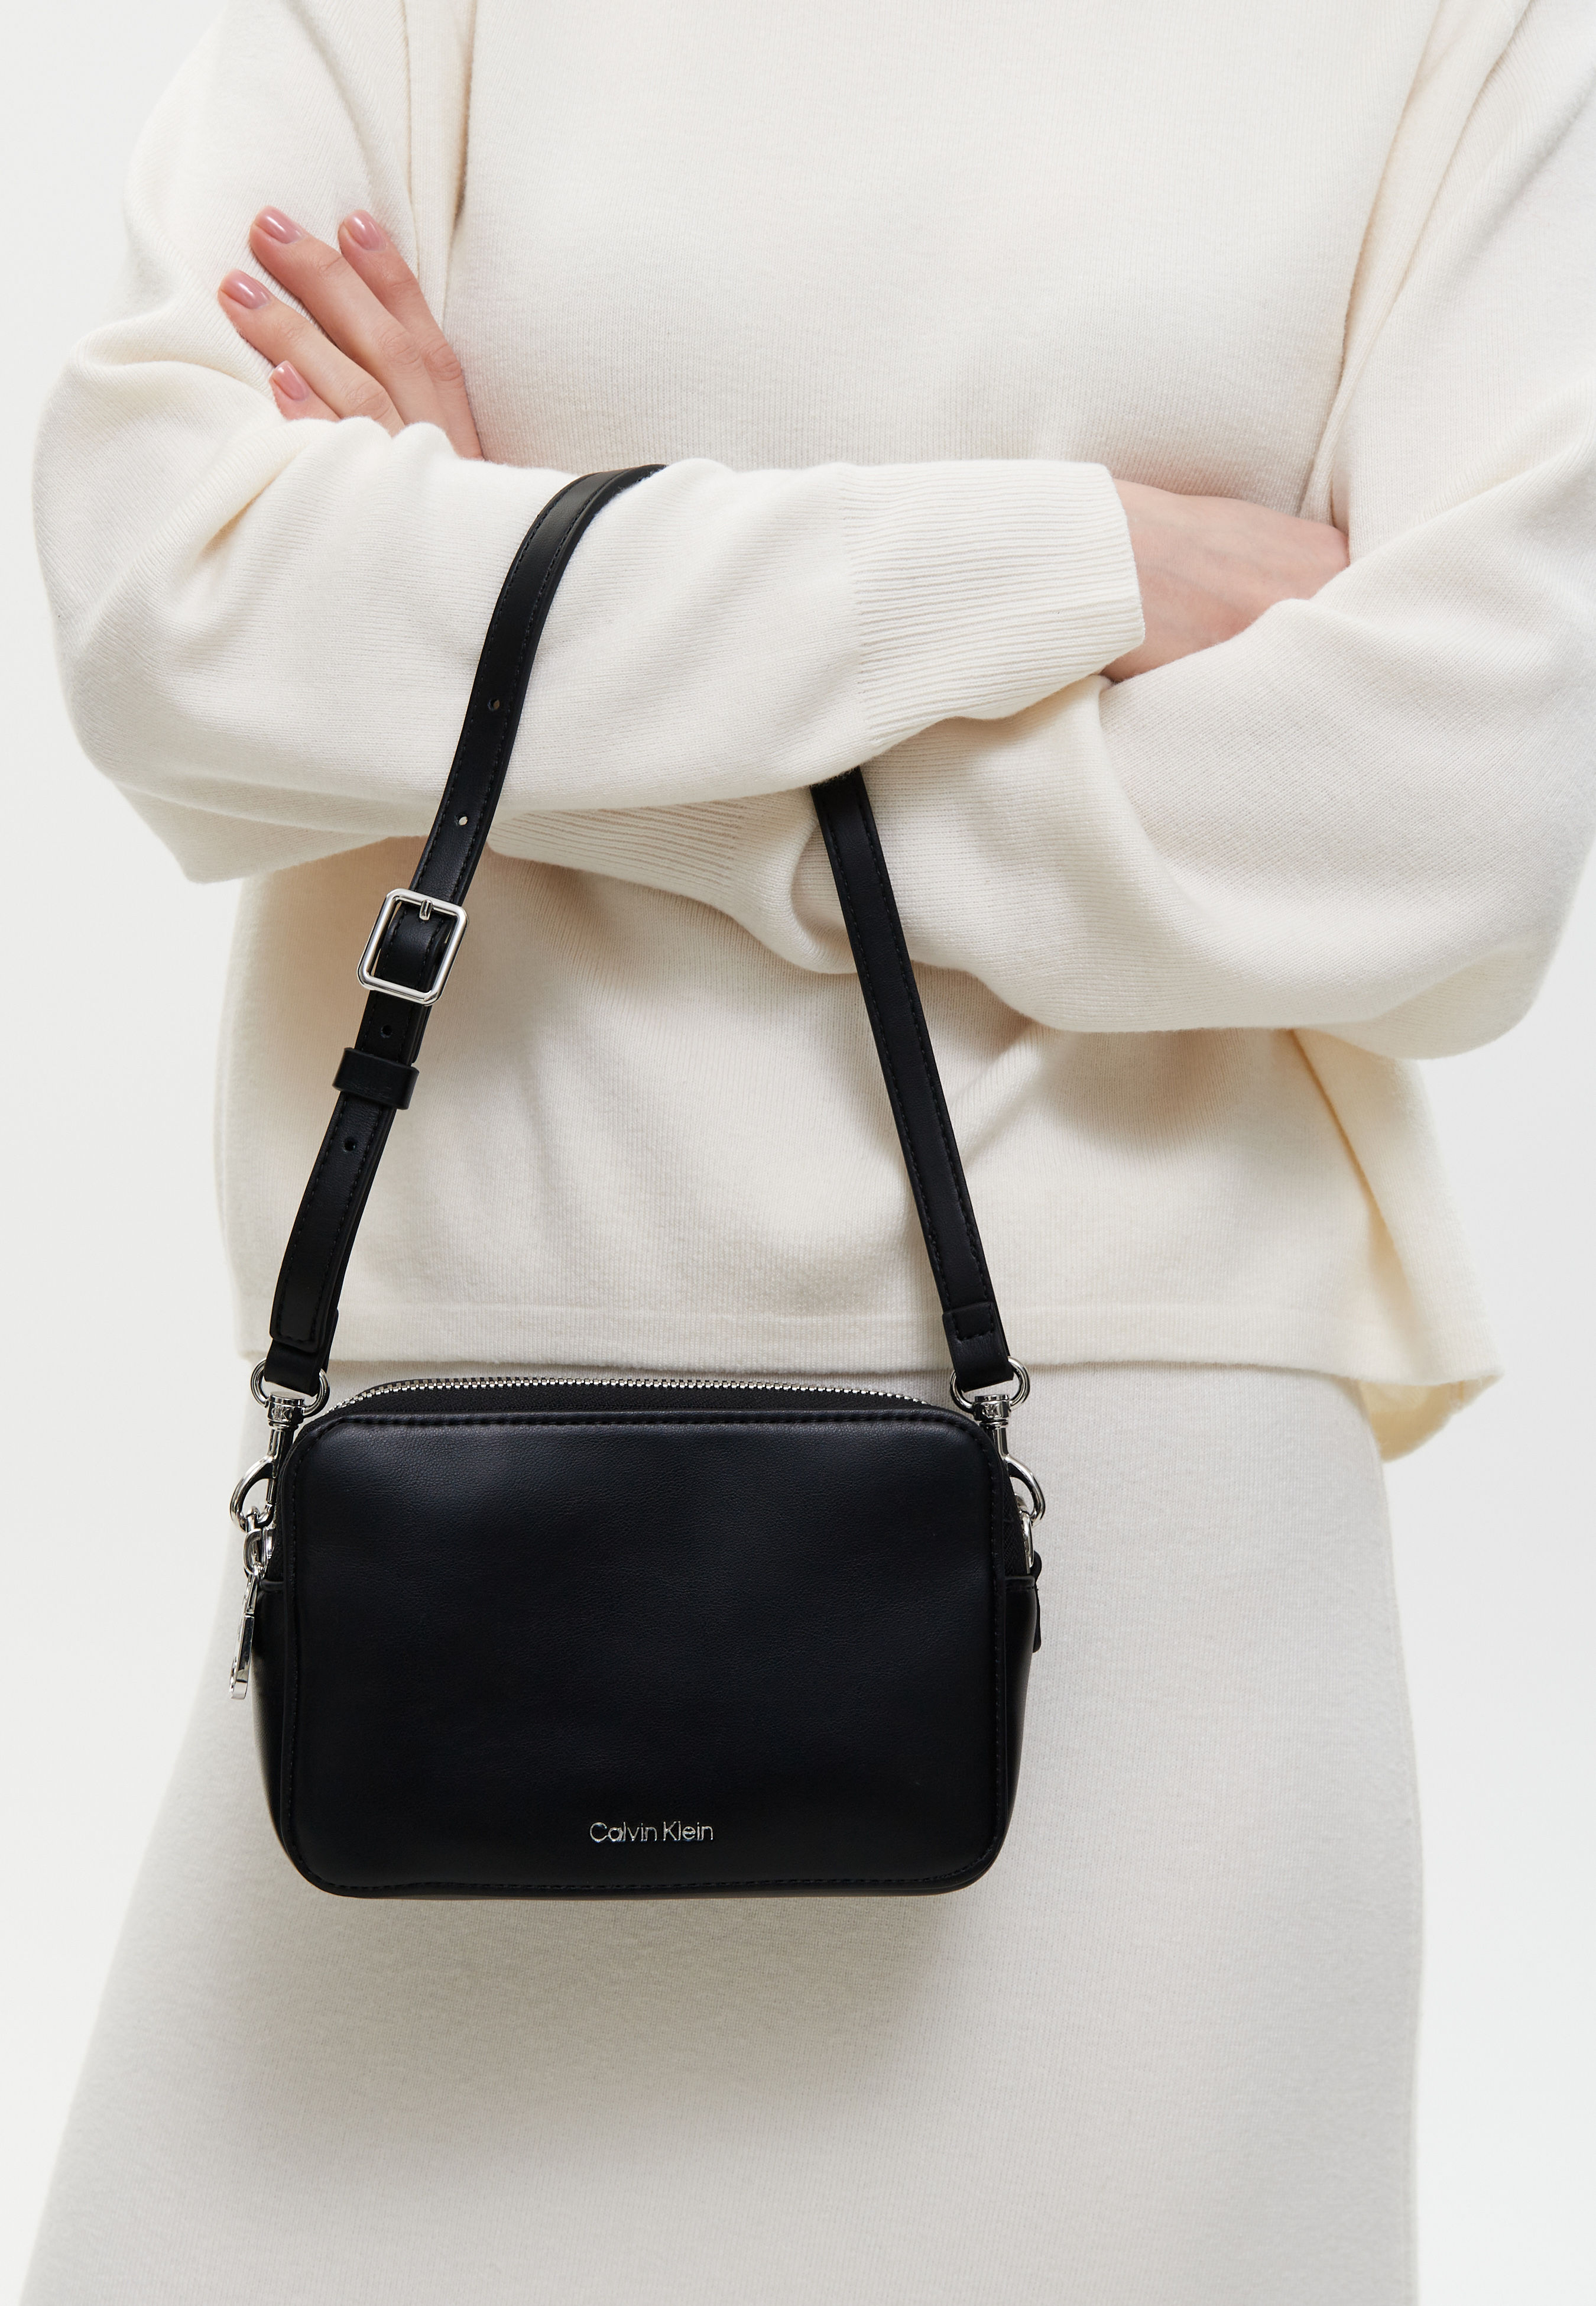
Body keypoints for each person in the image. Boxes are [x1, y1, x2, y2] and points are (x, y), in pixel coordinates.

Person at [25, 0, 1595, 2298]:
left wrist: (543, 662)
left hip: (1139, 1575)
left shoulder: (1464, 39)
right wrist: (1073, 567)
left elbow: (1445, 829)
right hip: (442, 1534)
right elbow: (177, 612)